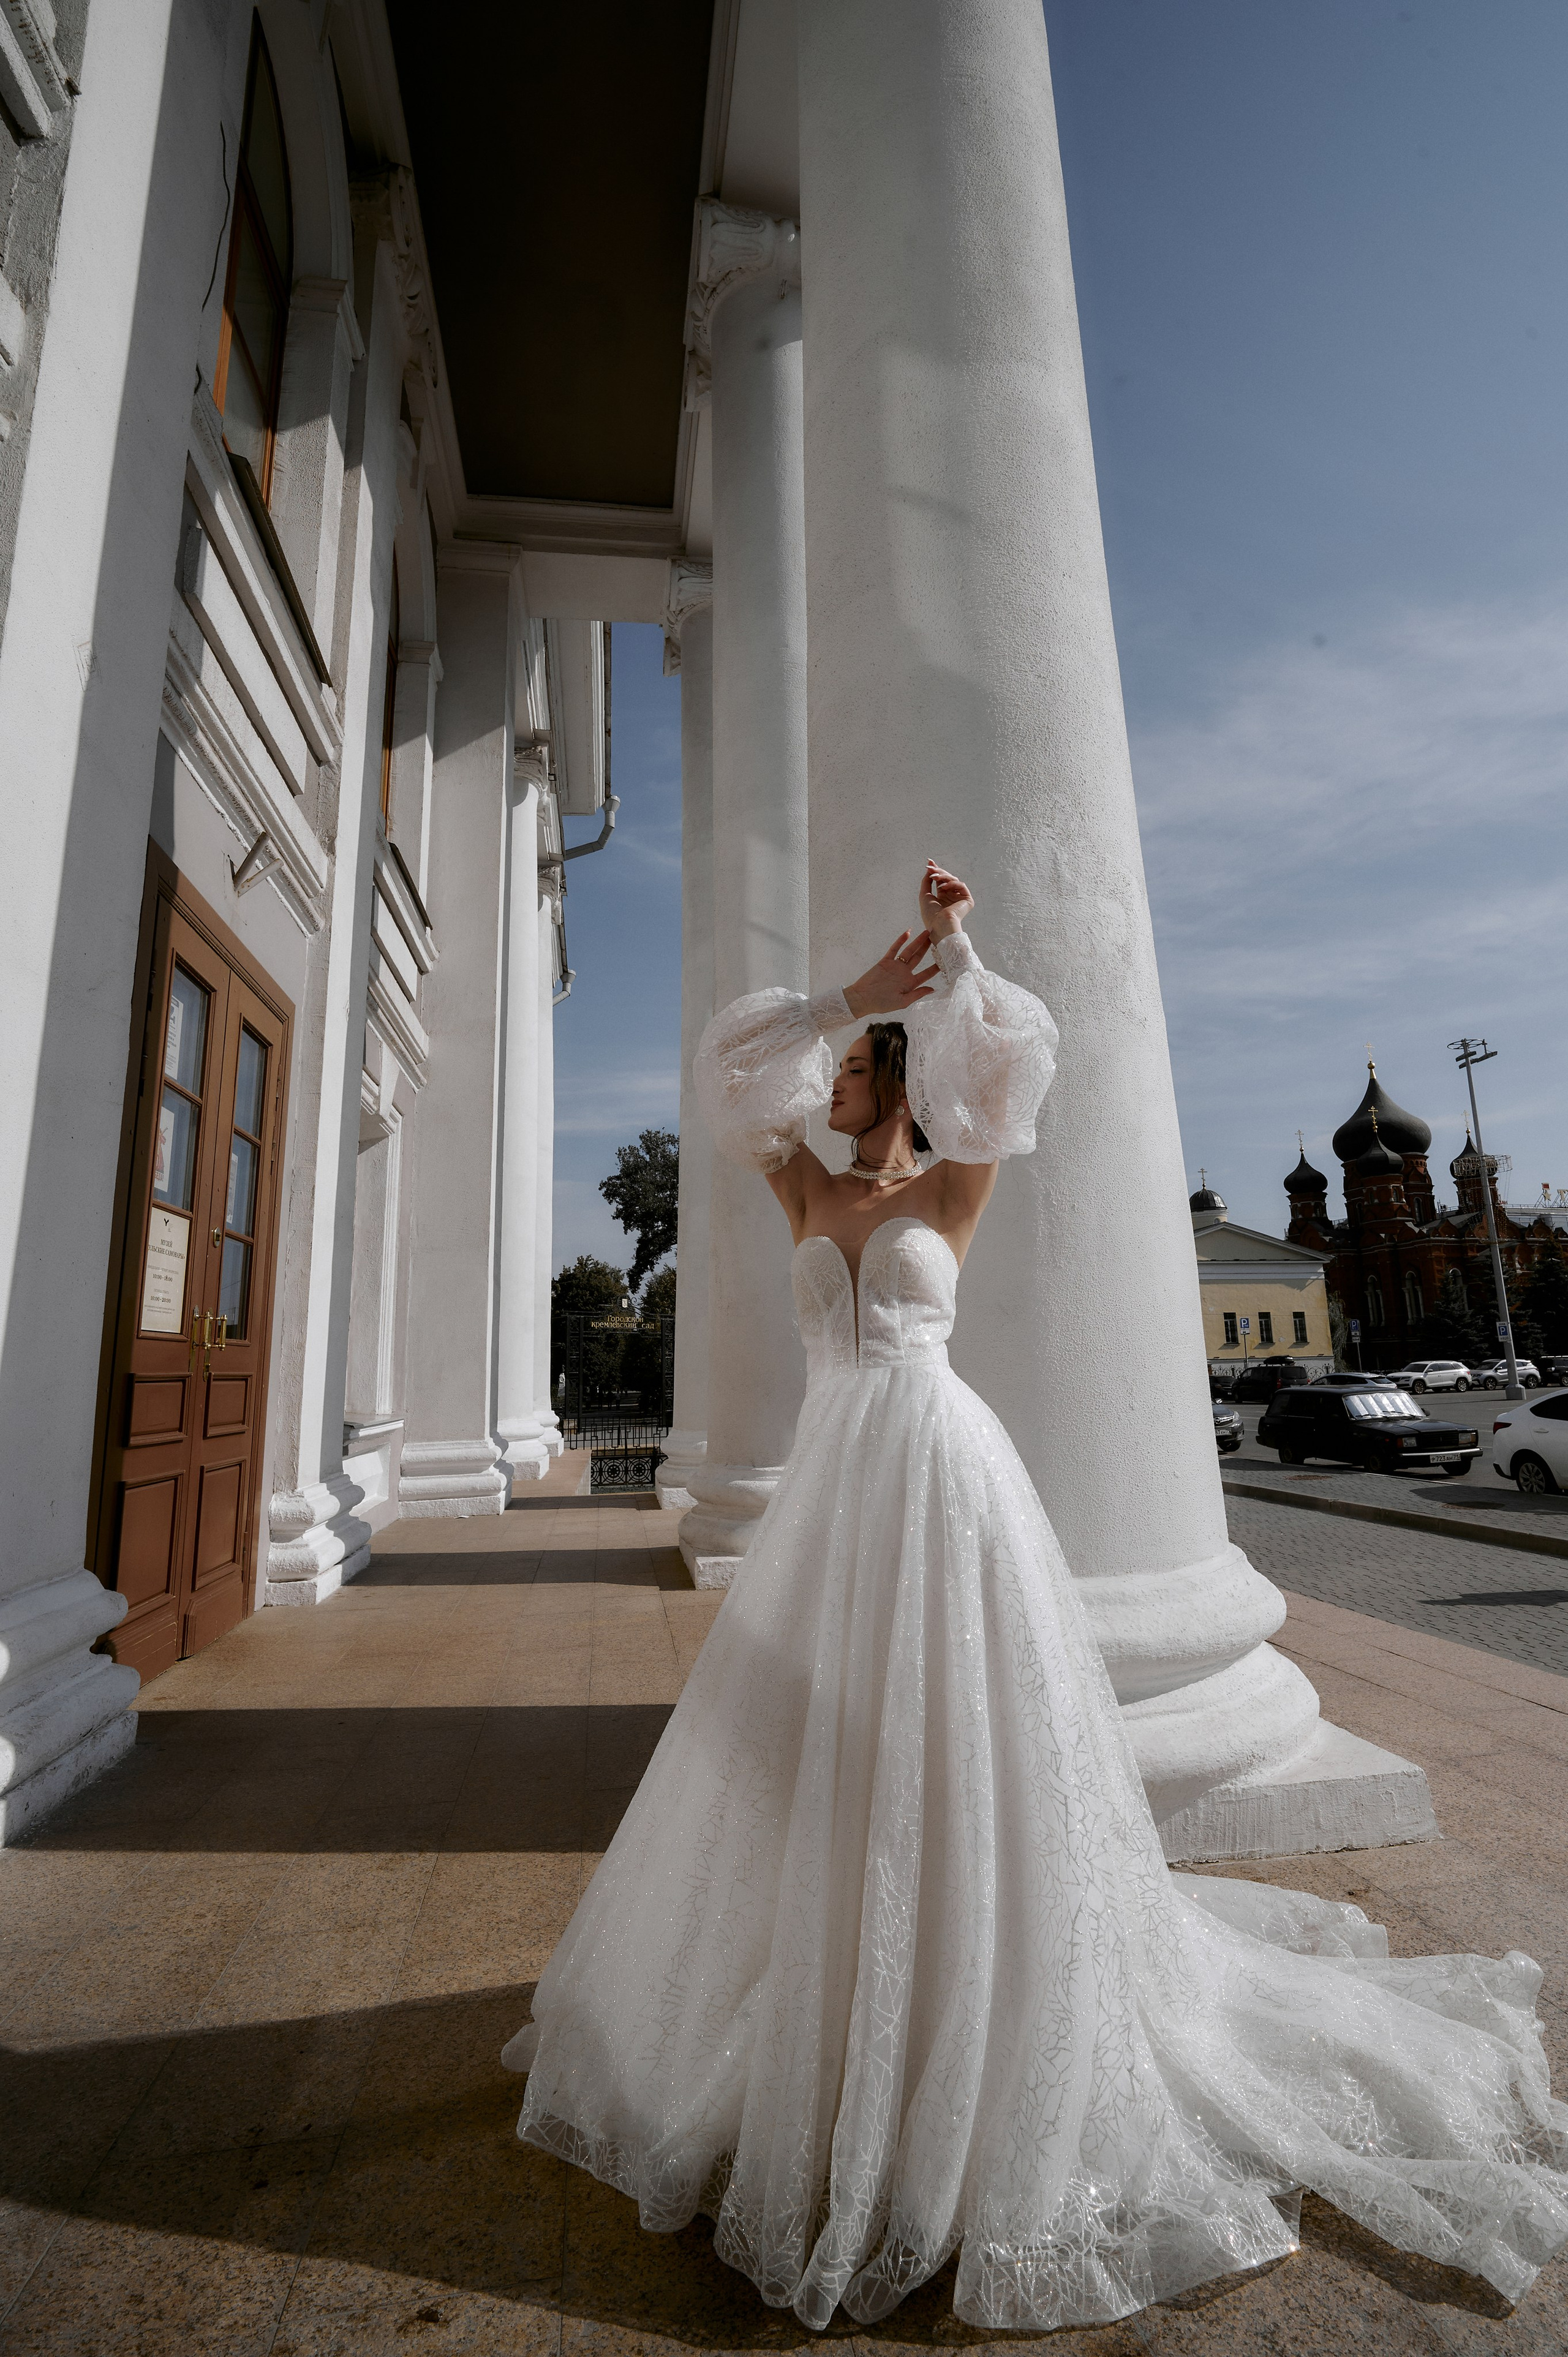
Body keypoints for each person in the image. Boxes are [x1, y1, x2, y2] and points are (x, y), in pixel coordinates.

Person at [504, 862, 1568, 2331]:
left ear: (898, 1084)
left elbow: (1014, 1051)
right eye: (857, 1055)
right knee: (820, 1744)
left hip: (942, 1476)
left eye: (865, 1059)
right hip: (833, 1490)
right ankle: (834, 2000)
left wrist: (956, 950)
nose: (842, 1073)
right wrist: (845, 996)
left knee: (961, 1731)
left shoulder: (955, 1179)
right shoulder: (800, 1181)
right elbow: (727, 1068)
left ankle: (980, 1999)